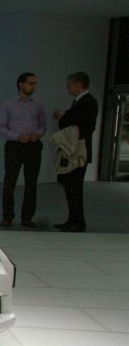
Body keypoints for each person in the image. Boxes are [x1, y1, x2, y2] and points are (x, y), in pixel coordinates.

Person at [0, 72, 47, 228]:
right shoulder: (8, 104)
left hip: (33, 146)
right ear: (21, 84)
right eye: (31, 83)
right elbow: (0, 127)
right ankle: (7, 216)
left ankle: (27, 217)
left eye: (35, 83)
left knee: (31, 183)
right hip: (15, 146)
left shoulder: (39, 104)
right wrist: (17, 136)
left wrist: (38, 134)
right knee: (10, 181)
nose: (33, 86)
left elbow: (43, 125)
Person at [53, 71, 98, 232]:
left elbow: (77, 124)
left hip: (78, 151)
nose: (68, 87)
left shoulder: (87, 102)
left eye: (70, 84)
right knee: (71, 187)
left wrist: (63, 118)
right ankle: (73, 219)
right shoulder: (81, 101)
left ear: (78, 85)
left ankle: (78, 222)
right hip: (76, 149)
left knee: (74, 188)